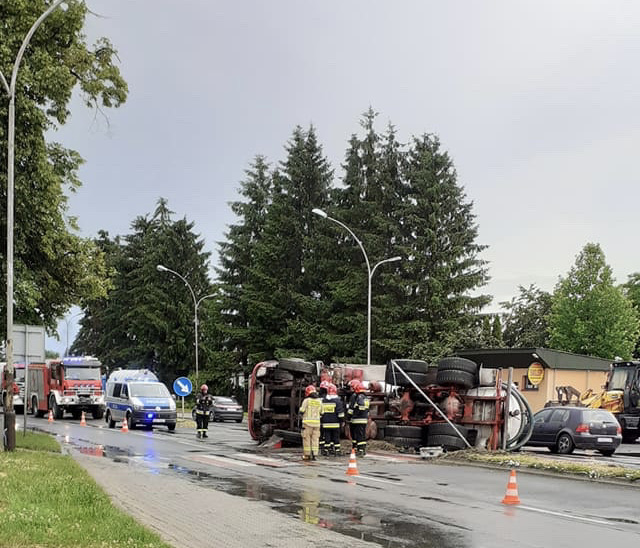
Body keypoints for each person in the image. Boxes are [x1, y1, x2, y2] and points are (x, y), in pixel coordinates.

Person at [299, 384, 323, 460]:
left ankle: (307, 455)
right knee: (315, 439)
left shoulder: (306, 401)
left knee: (306, 439)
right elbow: (322, 412)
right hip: (316, 424)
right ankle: (315, 455)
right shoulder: (319, 401)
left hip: (307, 424)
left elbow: (302, 410)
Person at [321, 383, 344, 457]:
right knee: (336, 437)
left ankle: (326, 450)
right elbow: (340, 413)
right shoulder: (338, 401)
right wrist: (342, 421)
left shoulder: (323, 400)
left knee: (327, 437)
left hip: (326, 423)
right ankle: (337, 450)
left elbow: (321, 412)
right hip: (335, 423)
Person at [347, 380, 370, 456]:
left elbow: (352, 409)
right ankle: (361, 449)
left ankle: (358, 449)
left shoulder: (356, 396)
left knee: (356, 435)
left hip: (357, 420)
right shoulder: (365, 397)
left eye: (351, 387)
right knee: (362, 435)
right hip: (363, 419)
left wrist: (349, 417)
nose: (350, 389)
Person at [318, 380, 331, 455]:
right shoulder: (329, 398)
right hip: (328, 418)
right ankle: (327, 447)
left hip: (319, 418)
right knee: (327, 434)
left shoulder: (318, 398)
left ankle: (321, 446)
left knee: (320, 433)